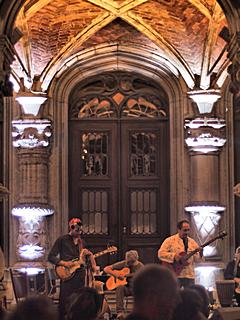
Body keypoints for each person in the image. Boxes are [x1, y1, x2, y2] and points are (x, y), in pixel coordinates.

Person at [48, 217, 97, 320]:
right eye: (75, 229)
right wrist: (64, 263)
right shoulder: (62, 240)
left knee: (79, 301)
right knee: (65, 301)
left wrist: (89, 257)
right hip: (66, 275)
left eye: (79, 230)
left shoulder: (82, 242)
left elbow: (85, 261)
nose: (78, 232)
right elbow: (51, 256)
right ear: (71, 228)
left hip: (80, 276)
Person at [158, 219, 204, 288]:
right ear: (179, 230)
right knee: (174, 296)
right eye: (185, 230)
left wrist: (201, 253)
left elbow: (198, 260)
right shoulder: (170, 241)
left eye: (188, 230)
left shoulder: (192, 242)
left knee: (190, 296)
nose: (187, 232)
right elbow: (160, 254)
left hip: (189, 275)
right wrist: (174, 256)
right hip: (175, 274)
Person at [103, 250, 144, 319]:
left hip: (137, 289)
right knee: (120, 287)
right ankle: (120, 312)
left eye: (130, 263)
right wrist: (116, 275)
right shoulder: (125, 263)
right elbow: (106, 269)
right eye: (127, 262)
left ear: (136, 259)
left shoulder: (141, 267)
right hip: (127, 289)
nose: (128, 264)